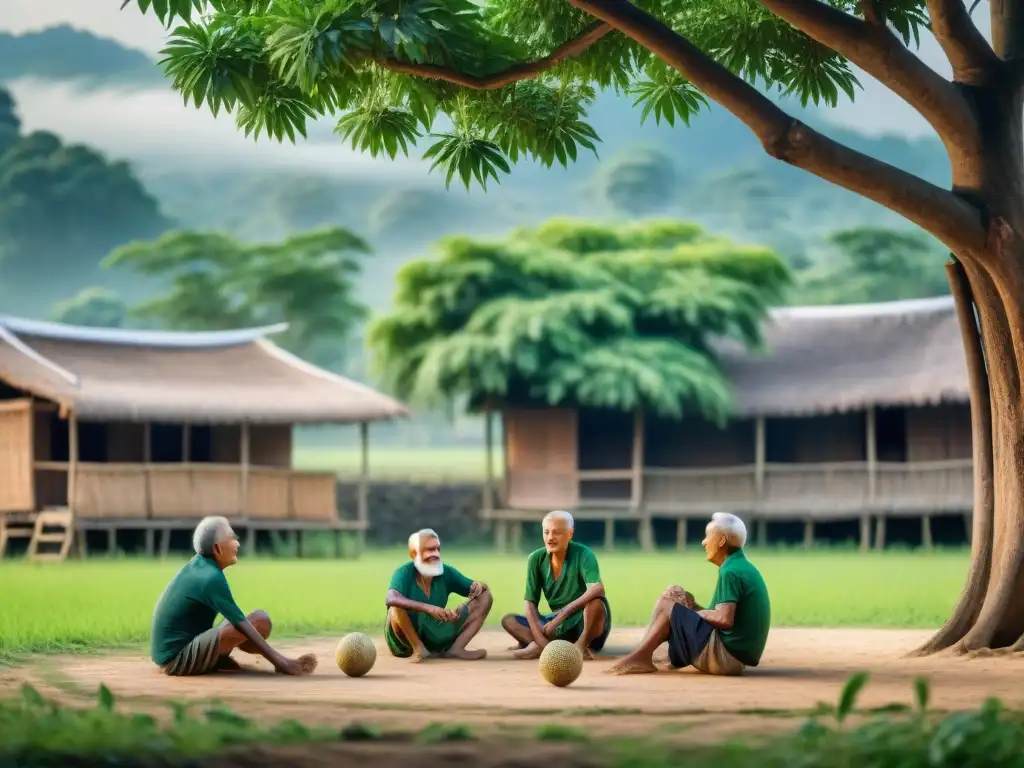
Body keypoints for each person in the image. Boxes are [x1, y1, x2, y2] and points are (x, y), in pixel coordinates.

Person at [606, 511, 770, 676]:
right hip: (735, 655)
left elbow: (723, 619)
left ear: (721, 541)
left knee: (667, 604)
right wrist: (690, 607)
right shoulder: (740, 566)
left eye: (708, 536)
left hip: (726, 659)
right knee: (673, 594)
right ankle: (644, 653)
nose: (703, 542)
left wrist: (690, 611)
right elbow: (721, 619)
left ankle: (642, 656)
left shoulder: (730, 572)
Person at [150, 516, 317, 676]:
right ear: (217, 548)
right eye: (231, 539)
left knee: (259, 622)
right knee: (259, 620)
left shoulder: (200, 566)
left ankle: (214, 659)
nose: (237, 544)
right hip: (175, 660)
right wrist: (281, 662)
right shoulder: (210, 578)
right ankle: (211, 660)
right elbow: (241, 624)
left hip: (175, 650)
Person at [501, 510, 611, 660]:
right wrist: (539, 635)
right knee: (510, 621)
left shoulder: (584, 554)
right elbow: (529, 603)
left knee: (597, 603)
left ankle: (580, 646)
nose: (550, 538)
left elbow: (598, 588)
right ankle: (545, 646)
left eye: (557, 533)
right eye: (546, 532)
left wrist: (561, 615)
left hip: (582, 621)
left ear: (570, 534)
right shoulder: (535, 559)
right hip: (557, 624)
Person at [384, 528, 493, 662]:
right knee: (396, 607)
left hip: (434, 632)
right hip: (404, 642)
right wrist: (429, 608)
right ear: (414, 553)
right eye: (429, 550)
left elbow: (476, 589)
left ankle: (456, 649)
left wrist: (479, 586)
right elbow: (391, 598)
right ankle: (419, 649)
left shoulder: (446, 572)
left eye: (437, 549)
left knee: (485, 596)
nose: (435, 554)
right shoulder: (404, 572)